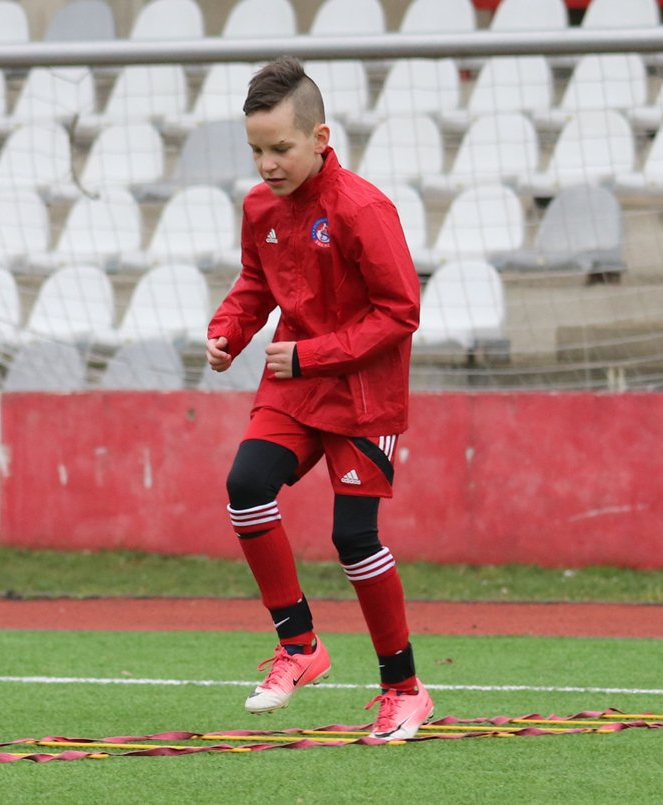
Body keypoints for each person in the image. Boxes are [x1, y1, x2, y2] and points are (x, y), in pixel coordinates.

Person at [206, 56, 432, 740]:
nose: (267, 164)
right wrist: (229, 330)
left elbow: (400, 312)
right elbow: (256, 282)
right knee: (246, 487)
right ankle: (300, 645)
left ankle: (405, 689)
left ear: (320, 138)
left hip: (363, 395)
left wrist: (311, 355)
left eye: (280, 148)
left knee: (353, 538)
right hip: (294, 383)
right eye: (256, 150)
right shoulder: (259, 206)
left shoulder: (364, 209)